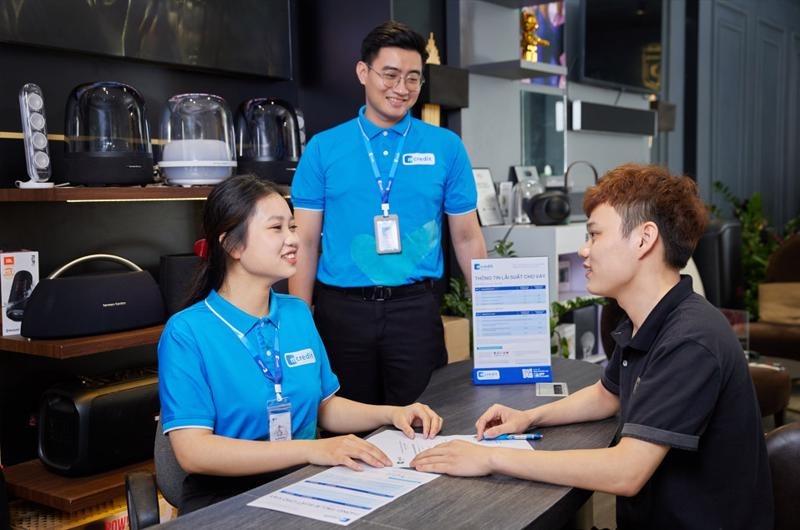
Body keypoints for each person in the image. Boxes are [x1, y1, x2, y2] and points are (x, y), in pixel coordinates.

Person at [410, 164, 773, 529]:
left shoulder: (691, 339)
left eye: (595, 235)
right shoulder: (646, 319)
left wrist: (490, 458)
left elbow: (626, 472)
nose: (584, 251)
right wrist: (529, 417)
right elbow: (606, 395)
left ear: (644, 239)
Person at [158, 174, 442, 513]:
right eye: (277, 228)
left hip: (304, 482)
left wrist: (394, 412)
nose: (293, 238)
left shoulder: (296, 312)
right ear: (232, 245)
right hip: (226, 499)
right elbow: (194, 453)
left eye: (293, 227)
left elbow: (325, 406)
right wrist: (312, 450)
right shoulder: (186, 332)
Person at [290, 21, 487, 407]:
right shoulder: (323, 148)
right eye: (391, 75)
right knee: (344, 427)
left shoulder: (446, 147)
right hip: (341, 312)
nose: (402, 88)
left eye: (413, 78)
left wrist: (491, 310)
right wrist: (300, 320)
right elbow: (306, 241)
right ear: (364, 72)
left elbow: (467, 236)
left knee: (425, 422)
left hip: (416, 311)